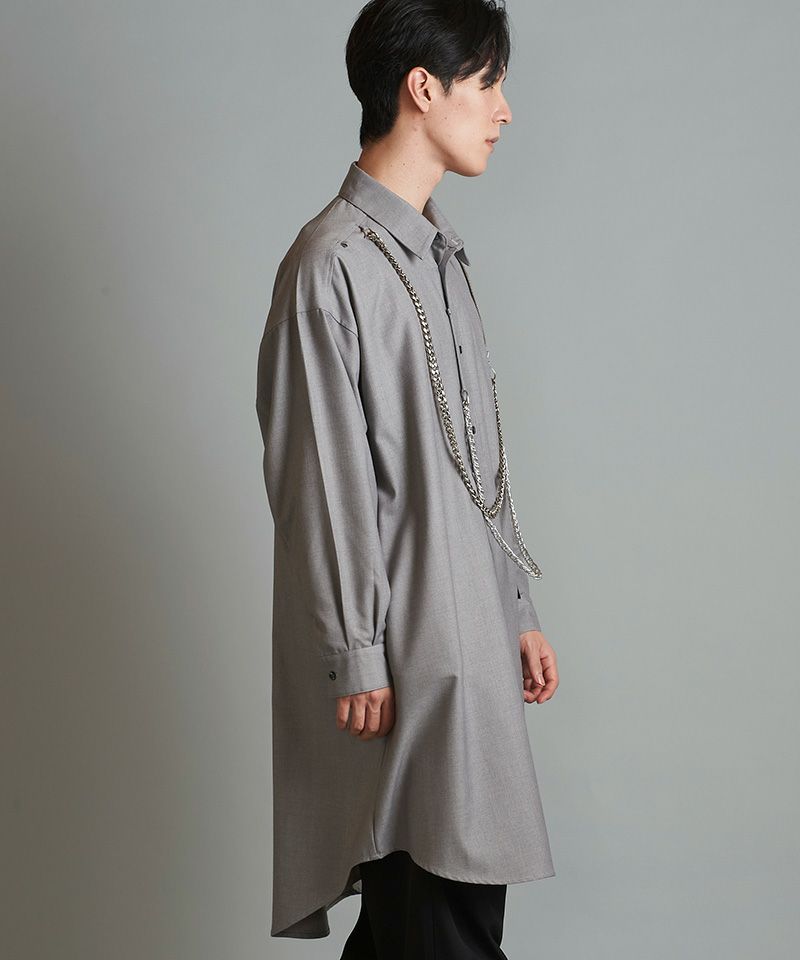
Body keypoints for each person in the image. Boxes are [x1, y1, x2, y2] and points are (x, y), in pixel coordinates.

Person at [254, 0, 559, 955]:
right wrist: (354, 650)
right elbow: (320, 480)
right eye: (488, 82)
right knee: (435, 917)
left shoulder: (439, 257)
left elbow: (472, 464)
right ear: (422, 88)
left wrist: (513, 607)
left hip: (468, 646)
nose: (504, 110)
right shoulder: (330, 265)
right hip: (409, 657)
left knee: (424, 925)